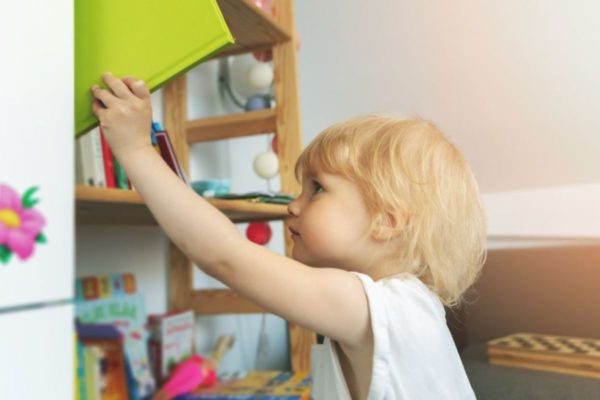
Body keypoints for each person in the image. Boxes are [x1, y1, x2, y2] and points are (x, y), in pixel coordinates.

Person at [91, 72, 487, 399]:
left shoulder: (378, 305)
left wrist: (137, 149)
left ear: (386, 221)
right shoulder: (383, 304)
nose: (292, 207)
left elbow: (225, 256)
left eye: (317, 189)